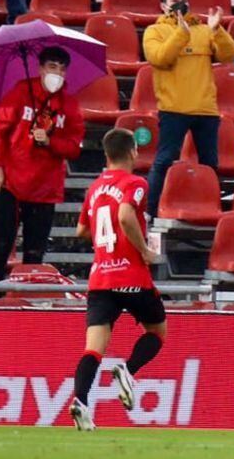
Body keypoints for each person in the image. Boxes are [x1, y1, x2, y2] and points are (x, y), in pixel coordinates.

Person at [69, 127, 165, 432]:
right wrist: (144, 250)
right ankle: (128, 370)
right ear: (133, 152)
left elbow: (81, 230)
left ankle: (80, 402)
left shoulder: (95, 188)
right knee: (157, 331)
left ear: (107, 155)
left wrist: (105, 236)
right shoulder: (136, 183)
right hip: (131, 275)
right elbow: (124, 215)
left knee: (93, 348)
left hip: (101, 278)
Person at [0, 46, 85, 292]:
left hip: (45, 189)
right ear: (41, 68)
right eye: (52, 67)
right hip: (10, 183)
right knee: (0, 247)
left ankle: (27, 301)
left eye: (62, 69)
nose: (57, 73)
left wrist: (51, 141)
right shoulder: (21, 92)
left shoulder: (70, 105)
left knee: (34, 254)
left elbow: (74, 148)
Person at [143, 0, 234, 218]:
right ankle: (148, 212)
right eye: (175, 1)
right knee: (164, 161)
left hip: (205, 109)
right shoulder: (154, 31)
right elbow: (160, 58)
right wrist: (181, 32)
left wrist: (217, 30)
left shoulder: (203, 30)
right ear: (163, 6)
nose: (181, 5)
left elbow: (229, 55)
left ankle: (210, 209)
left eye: (184, 0)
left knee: (209, 165)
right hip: (174, 107)